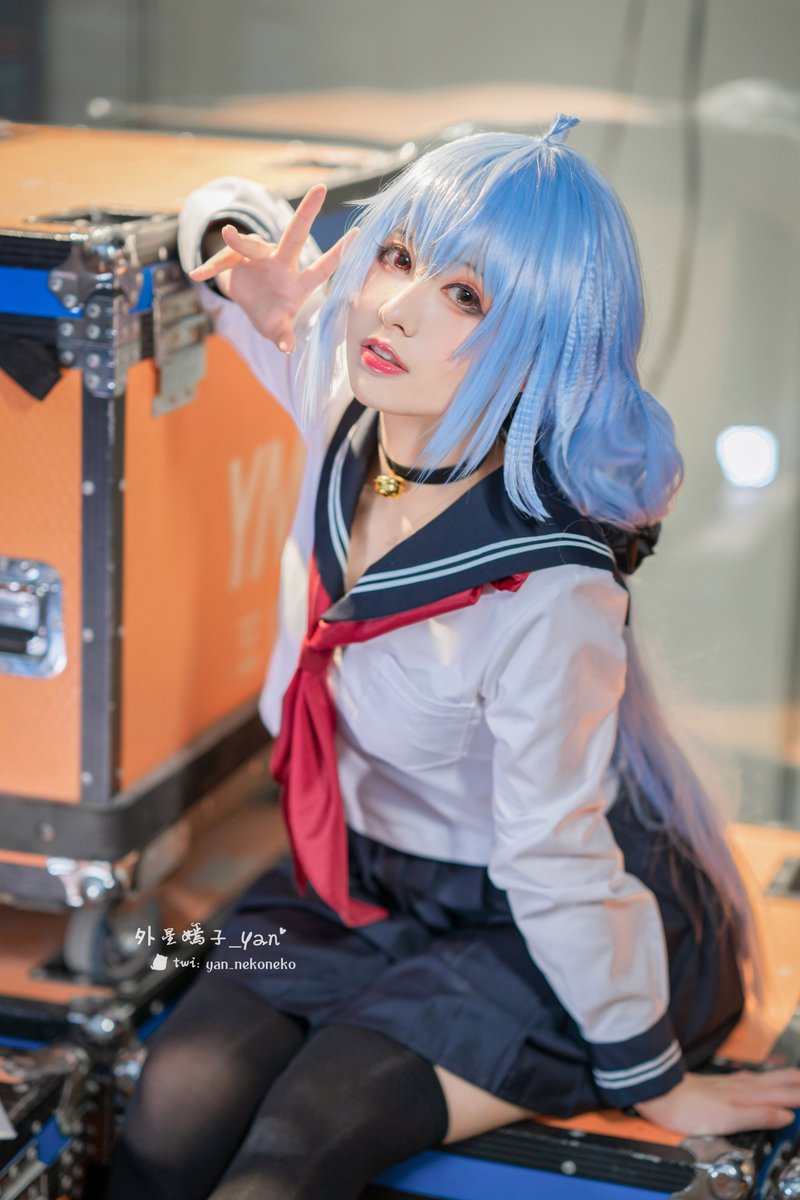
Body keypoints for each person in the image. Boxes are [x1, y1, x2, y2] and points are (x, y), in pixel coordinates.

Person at [107, 115, 800, 1200]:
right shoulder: (350, 394)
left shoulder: (548, 590)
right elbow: (216, 210)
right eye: (396, 257)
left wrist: (654, 1077)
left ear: (544, 344)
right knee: (167, 1106)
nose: (395, 307)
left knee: (290, 1157)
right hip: (345, 880)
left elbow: (553, 855)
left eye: (465, 296)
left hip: (519, 920)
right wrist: (264, 286)